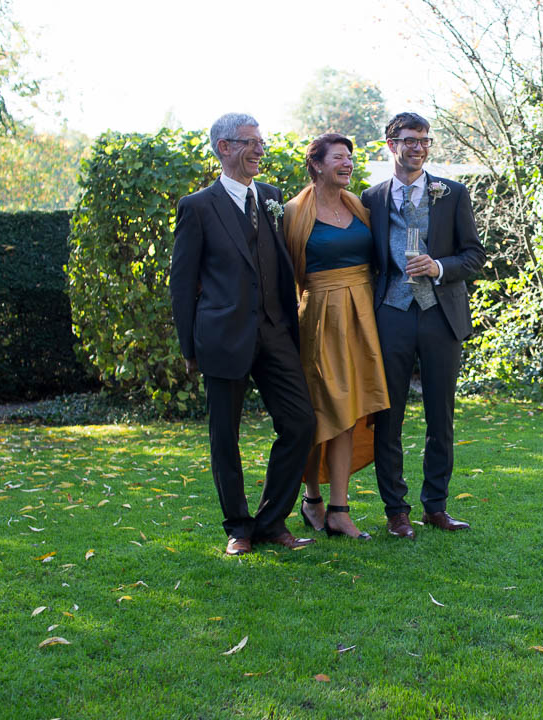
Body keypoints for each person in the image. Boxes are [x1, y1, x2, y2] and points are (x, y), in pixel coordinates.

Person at [170, 112, 316, 556]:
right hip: (222, 337)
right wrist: (189, 347)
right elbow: (182, 282)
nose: (259, 150)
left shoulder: (271, 198)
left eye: (260, 142)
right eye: (249, 143)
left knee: (300, 422)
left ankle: (272, 522)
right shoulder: (197, 207)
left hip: (274, 333)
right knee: (224, 437)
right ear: (224, 148)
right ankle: (239, 527)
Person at [361, 112, 486, 539]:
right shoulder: (370, 198)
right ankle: (396, 510)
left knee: (441, 416)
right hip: (391, 316)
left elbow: (473, 256)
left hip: (440, 316)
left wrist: (437, 266)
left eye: (425, 141)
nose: (418, 147)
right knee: (388, 416)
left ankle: (436, 506)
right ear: (391, 143)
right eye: (410, 140)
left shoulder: (452, 193)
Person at [282, 133, 390, 540]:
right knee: (320, 410)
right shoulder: (294, 213)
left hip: (362, 316)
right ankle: (312, 499)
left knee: (351, 412)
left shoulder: (358, 207)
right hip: (319, 319)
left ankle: (339, 510)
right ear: (317, 165)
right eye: (339, 158)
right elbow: (288, 275)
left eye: (350, 158)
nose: (347, 164)